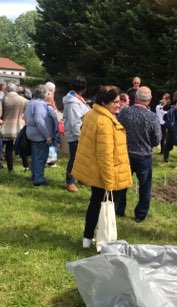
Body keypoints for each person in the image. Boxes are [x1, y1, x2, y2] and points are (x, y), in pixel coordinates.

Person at [72, 86, 132, 248]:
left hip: (95, 169)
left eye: (120, 101)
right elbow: (105, 156)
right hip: (104, 172)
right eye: (115, 102)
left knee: (95, 203)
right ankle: (102, 239)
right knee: (104, 207)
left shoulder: (93, 114)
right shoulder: (104, 122)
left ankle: (87, 238)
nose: (119, 105)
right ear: (104, 102)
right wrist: (109, 182)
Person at [117, 86, 161, 222]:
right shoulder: (152, 117)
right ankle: (140, 215)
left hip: (126, 153)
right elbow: (157, 139)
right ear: (150, 100)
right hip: (144, 156)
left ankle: (118, 210)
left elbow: (117, 130)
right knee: (145, 187)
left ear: (136, 97)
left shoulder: (124, 112)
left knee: (122, 184)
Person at [24, 84, 60, 186]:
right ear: (44, 94)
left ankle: (35, 175)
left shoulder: (31, 103)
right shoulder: (40, 104)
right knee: (40, 157)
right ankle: (39, 179)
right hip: (40, 135)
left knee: (35, 156)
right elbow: (39, 121)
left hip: (31, 133)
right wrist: (47, 135)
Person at [62, 75, 90, 192]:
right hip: (76, 136)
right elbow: (74, 122)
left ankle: (81, 178)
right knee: (74, 159)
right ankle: (70, 182)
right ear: (84, 88)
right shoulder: (73, 102)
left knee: (82, 158)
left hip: (82, 134)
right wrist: (80, 137)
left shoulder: (78, 98)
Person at [0, 83, 28, 172]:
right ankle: (26, 166)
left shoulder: (3, 100)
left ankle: (10, 168)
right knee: (23, 147)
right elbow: (29, 109)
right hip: (20, 126)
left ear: (7, 90)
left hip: (7, 128)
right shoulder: (23, 100)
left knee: (9, 148)